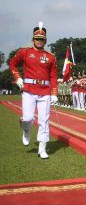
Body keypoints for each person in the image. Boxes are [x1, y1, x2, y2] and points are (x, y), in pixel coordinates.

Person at [9, 23, 58, 159]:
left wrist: (54, 93)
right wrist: (18, 77)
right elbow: (12, 63)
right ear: (33, 39)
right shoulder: (24, 52)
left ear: (45, 41)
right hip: (29, 90)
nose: (39, 41)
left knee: (44, 120)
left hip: (45, 92)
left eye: (41, 39)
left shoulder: (51, 57)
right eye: (37, 38)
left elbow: (53, 76)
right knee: (28, 118)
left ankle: (42, 148)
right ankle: (26, 130)